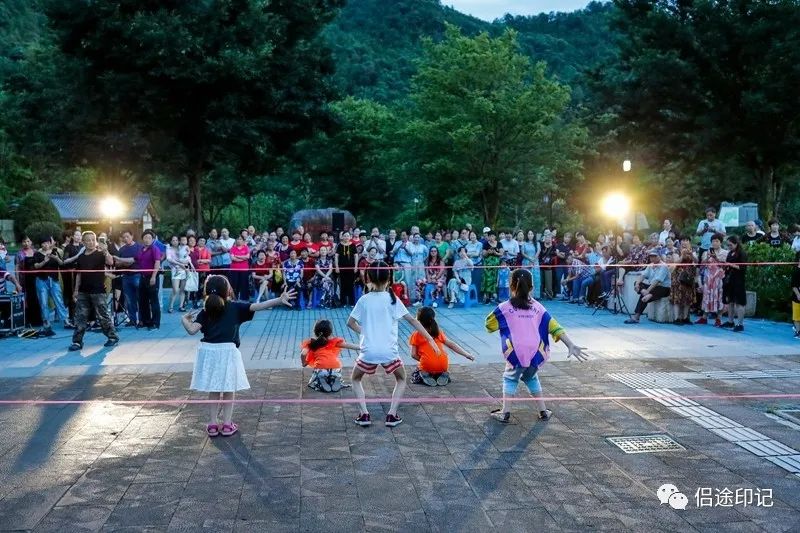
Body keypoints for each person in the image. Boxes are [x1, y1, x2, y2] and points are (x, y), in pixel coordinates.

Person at [182, 275, 294, 437]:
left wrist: (184, 320)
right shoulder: (235, 307)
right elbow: (258, 306)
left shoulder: (205, 310)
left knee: (214, 389)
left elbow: (192, 330)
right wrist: (279, 300)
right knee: (229, 388)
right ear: (227, 290)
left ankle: (213, 425)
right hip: (228, 352)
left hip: (208, 352)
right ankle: (227, 425)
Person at [485, 269, 587, 423]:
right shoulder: (538, 307)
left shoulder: (504, 308)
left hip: (515, 352)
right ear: (532, 287)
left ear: (511, 286)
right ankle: (543, 410)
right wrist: (570, 345)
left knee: (510, 379)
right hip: (536, 352)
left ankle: (505, 412)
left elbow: (489, 325)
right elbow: (555, 327)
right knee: (531, 376)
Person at [347, 262, 440, 428]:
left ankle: (364, 414)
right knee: (401, 378)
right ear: (389, 279)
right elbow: (412, 320)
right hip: (389, 353)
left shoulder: (364, 300)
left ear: (367, 278)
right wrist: (431, 340)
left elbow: (350, 323)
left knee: (355, 379)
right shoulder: (393, 300)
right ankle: (392, 414)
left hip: (368, 352)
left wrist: (365, 332)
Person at [69, 231, 118, 351]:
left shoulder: (100, 254)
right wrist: (76, 290)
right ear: (83, 242)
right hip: (83, 291)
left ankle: (112, 337)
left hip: (98, 290)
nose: (91, 242)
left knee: (103, 315)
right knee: (80, 317)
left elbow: (110, 262)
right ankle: (77, 342)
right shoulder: (81, 257)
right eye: (88, 240)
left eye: (93, 240)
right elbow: (79, 275)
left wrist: (106, 251)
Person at [410, 306, 475, 386]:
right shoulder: (438, 332)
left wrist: (425, 360)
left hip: (426, 365)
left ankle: (425, 375)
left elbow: (413, 354)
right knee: (437, 368)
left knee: (416, 373)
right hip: (443, 364)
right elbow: (452, 345)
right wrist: (467, 354)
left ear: (418, 320)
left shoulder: (416, 334)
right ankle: (441, 374)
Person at [300, 319, 359, 392]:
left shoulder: (311, 343)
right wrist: (361, 347)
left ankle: (321, 381)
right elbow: (348, 345)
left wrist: (304, 363)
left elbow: (303, 353)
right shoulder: (333, 342)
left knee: (317, 374)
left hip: (321, 368)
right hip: (336, 367)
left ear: (315, 331)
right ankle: (336, 378)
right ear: (330, 332)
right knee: (335, 371)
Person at [33, 236, 69, 336]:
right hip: (42, 280)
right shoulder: (37, 254)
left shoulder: (55, 252)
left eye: (47, 243)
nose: (46, 245)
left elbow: (62, 264)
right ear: (41, 244)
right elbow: (36, 266)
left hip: (54, 280)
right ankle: (46, 322)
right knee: (44, 302)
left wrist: (55, 258)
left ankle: (65, 320)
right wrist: (44, 261)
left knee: (59, 300)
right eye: (43, 243)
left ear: (50, 243)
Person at [624, 250, 672, 324]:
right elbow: (643, 275)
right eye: (651, 256)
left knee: (647, 294)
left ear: (659, 257)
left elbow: (657, 281)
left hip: (663, 288)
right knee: (637, 283)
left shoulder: (663, 266)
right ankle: (647, 295)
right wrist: (637, 284)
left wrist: (648, 291)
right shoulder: (650, 265)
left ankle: (636, 316)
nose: (652, 258)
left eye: (654, 256)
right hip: (653, 287)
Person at [697, 234, 728, 327]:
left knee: (719, 297)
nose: (715, 243)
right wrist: (708, 257)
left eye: (717, 241)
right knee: (707, 296)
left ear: (721, 242)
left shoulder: (725, 252)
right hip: (708, 278)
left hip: (719, 278)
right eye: (713, 241)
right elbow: (702, 265)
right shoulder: (706, 252)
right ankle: (704, 317)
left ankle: (718, 318)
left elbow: (725, 265)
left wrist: (716, 258)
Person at [136, 230, 163, 330]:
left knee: (154, 300)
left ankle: (155, 323)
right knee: (143, 300)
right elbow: (135, 259)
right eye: (145, 237)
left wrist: (153, 276)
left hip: (152, 277)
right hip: (142, 277)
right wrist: (119, 259)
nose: (147, 240)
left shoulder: (155, 249)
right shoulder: (141, 249)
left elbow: (157, 263)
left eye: (149, 238)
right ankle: (146, 321)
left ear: (152, 239)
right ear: (142, 239)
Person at [721, 235, 747, 332]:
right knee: (730, 301)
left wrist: (730, 264)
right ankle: (730, 321)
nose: (729, 247)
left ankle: (740, 324)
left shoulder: (742, 253)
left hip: (738, 280)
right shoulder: (730, 253)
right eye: (728, 245)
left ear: (736, 243)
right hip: (729, 280)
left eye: (730, 245)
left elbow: (742, 268)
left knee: (739, 302)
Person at [670, 248, 697, 325]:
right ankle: (677, 318)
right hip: (678, 279)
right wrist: (682, 255)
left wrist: (691, 255)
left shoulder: (692, 253)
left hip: (688, 280)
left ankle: (685, 318)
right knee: (677, 299)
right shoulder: (676, 253)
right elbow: (676, 263)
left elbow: (696, 262)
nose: (685, 243)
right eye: (683, 242)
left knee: (688, 299)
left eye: (686, 242)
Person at [166, 235, 191, 313]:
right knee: (175, 289)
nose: (175, 242)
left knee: (182, 290)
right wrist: (179, 263)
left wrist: (185, 262)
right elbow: (169, 259)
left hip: (184, 270)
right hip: (175, 270)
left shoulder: (183, 248)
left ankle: (181, 306)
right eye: (173, 240)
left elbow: (188, 257)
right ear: (171, 241)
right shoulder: (169, 249)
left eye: (176, 240)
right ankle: (170, 307)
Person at [335, 231, 358, 307]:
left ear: (350, 237)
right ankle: (343, 302)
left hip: (351, 268)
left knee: (351, 284)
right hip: (342, 268)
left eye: (348, 236)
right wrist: (337, 266)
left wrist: (356, 266)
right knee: (343, 285)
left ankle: (351, 302)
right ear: (342, 237)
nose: (346, 237)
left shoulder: (353, 245)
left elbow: (356, 256)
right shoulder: (339, 245)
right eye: (345, 236)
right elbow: (336, 256)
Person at [481, 232, 503, 303]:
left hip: (496, 265)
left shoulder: (499, 244)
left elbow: (501, 254)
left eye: (493, 236)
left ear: (495, 237)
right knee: (488, 280)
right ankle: (487, 297)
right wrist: (488, 252)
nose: (491, 238)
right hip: (488, 265)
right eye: (490, 236)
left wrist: (496, 253)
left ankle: (495, 297)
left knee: (496, 279)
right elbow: (483, 254)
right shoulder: (485, 244)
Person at [229, 235, 251, 301]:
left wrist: (237, 256)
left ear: (243, 241)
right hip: (234, 269)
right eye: (237, 239)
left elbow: (247, 257)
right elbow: (233, 258)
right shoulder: (233, 248)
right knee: (235, 283)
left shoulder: (246, 248)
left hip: (244, 269)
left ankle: (244, 298)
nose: (239, 240)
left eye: (240, 239)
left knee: (244, 283)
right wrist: (243, 258)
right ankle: (234, 298)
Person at [520, 230, 541, 299]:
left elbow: (538, 252)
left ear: (534, 235)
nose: (530, 235)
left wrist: (533, 260)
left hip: (535, 263)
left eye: (531, 234)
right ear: (527, 235)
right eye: (529, 234)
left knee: (535, 279)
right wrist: (529, 258)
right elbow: (523, 253)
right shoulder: (524, 244)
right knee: (526, 279)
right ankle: (526, 295)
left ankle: (536, 296)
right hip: (526, 263)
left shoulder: (537, 243)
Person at [792, 252, 800, 339]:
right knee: (797, 317)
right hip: (797, 299)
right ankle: (798, 331)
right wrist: (798, 294)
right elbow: (794, 286)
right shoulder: (796, 272)